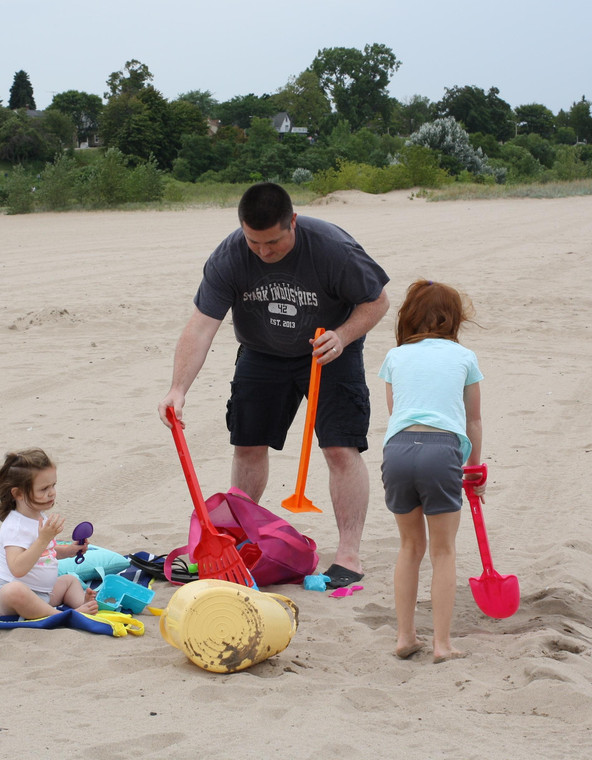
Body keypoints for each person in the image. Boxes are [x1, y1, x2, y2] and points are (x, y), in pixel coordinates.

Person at [158, 182, 390, 588]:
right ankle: (235, 538)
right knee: (247, 446)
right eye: (254, 242)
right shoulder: (230, 256)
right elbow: (200, 327)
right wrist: (178, 389)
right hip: (262, 352)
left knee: (340, 448)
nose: (263, 252)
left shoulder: (332, 248)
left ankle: (348, 555)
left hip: (330, 349)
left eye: (273, 243)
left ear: (293, 223)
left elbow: (377, 301)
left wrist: (344, 335)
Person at [378, 280, 484, 661]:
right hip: (443, 451)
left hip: (399, 450)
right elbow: (472, 422)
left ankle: (405, 636)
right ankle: (442, 644)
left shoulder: (396, 356)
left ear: (409, 316)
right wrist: (473, 470)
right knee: (443, 551)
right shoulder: (464, 357)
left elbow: (397, 413)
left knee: (409, 547)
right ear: (453, 319)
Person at [0, 448, 98, 619]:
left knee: (70, 581)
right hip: (9, 596)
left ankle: (81, 603)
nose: (52, 492)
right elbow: (17, 568)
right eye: (44, 488)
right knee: (15, 591)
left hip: (43, 594)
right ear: (18, 493)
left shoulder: (39, 516)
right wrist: (43, 539)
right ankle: (62, 615)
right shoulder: (15, 526)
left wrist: (68, 551)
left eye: (53, 485)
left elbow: (45, 553)